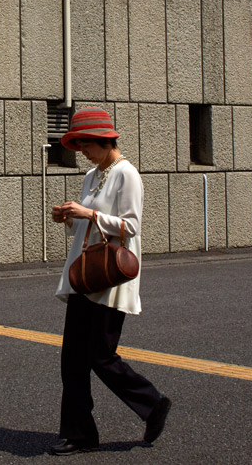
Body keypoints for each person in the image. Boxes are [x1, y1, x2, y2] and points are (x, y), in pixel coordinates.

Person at [49, 108, 172, 456]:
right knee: (72, 359)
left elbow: (130, 226)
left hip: (109, 278)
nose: (83, 152)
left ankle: (152, 403)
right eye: (79, 145)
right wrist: (69, 218)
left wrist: (88, 213)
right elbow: (91, 226)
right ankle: (79, 434)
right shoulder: (93, 175)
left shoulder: (126, 175)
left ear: (105, 141)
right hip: (85, 275)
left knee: (100, 356)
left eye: (86, 145)